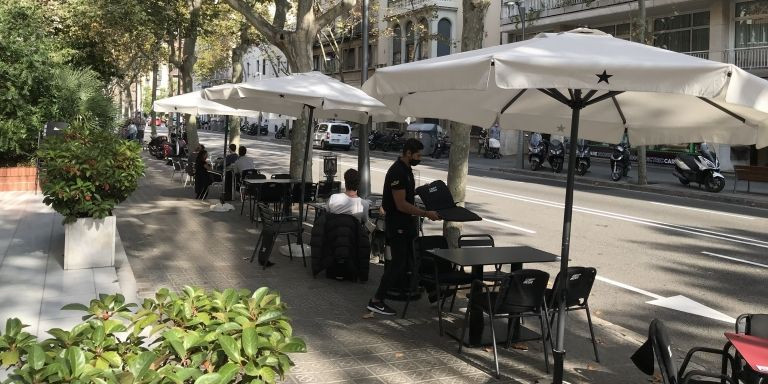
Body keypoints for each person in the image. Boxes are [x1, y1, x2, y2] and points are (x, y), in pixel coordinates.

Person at [367, 138, 440, 316]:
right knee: (398, 264)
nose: (419, 158)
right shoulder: (397, 172)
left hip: (407, 223)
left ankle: (434, 294)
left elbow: (405, 194)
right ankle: (377, 300)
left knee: (416, 257)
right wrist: (425, 214)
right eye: (417, 154)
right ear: (408, 153)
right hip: (398, 224)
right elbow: (400, 204)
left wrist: (420, 191)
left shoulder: (407, 170)